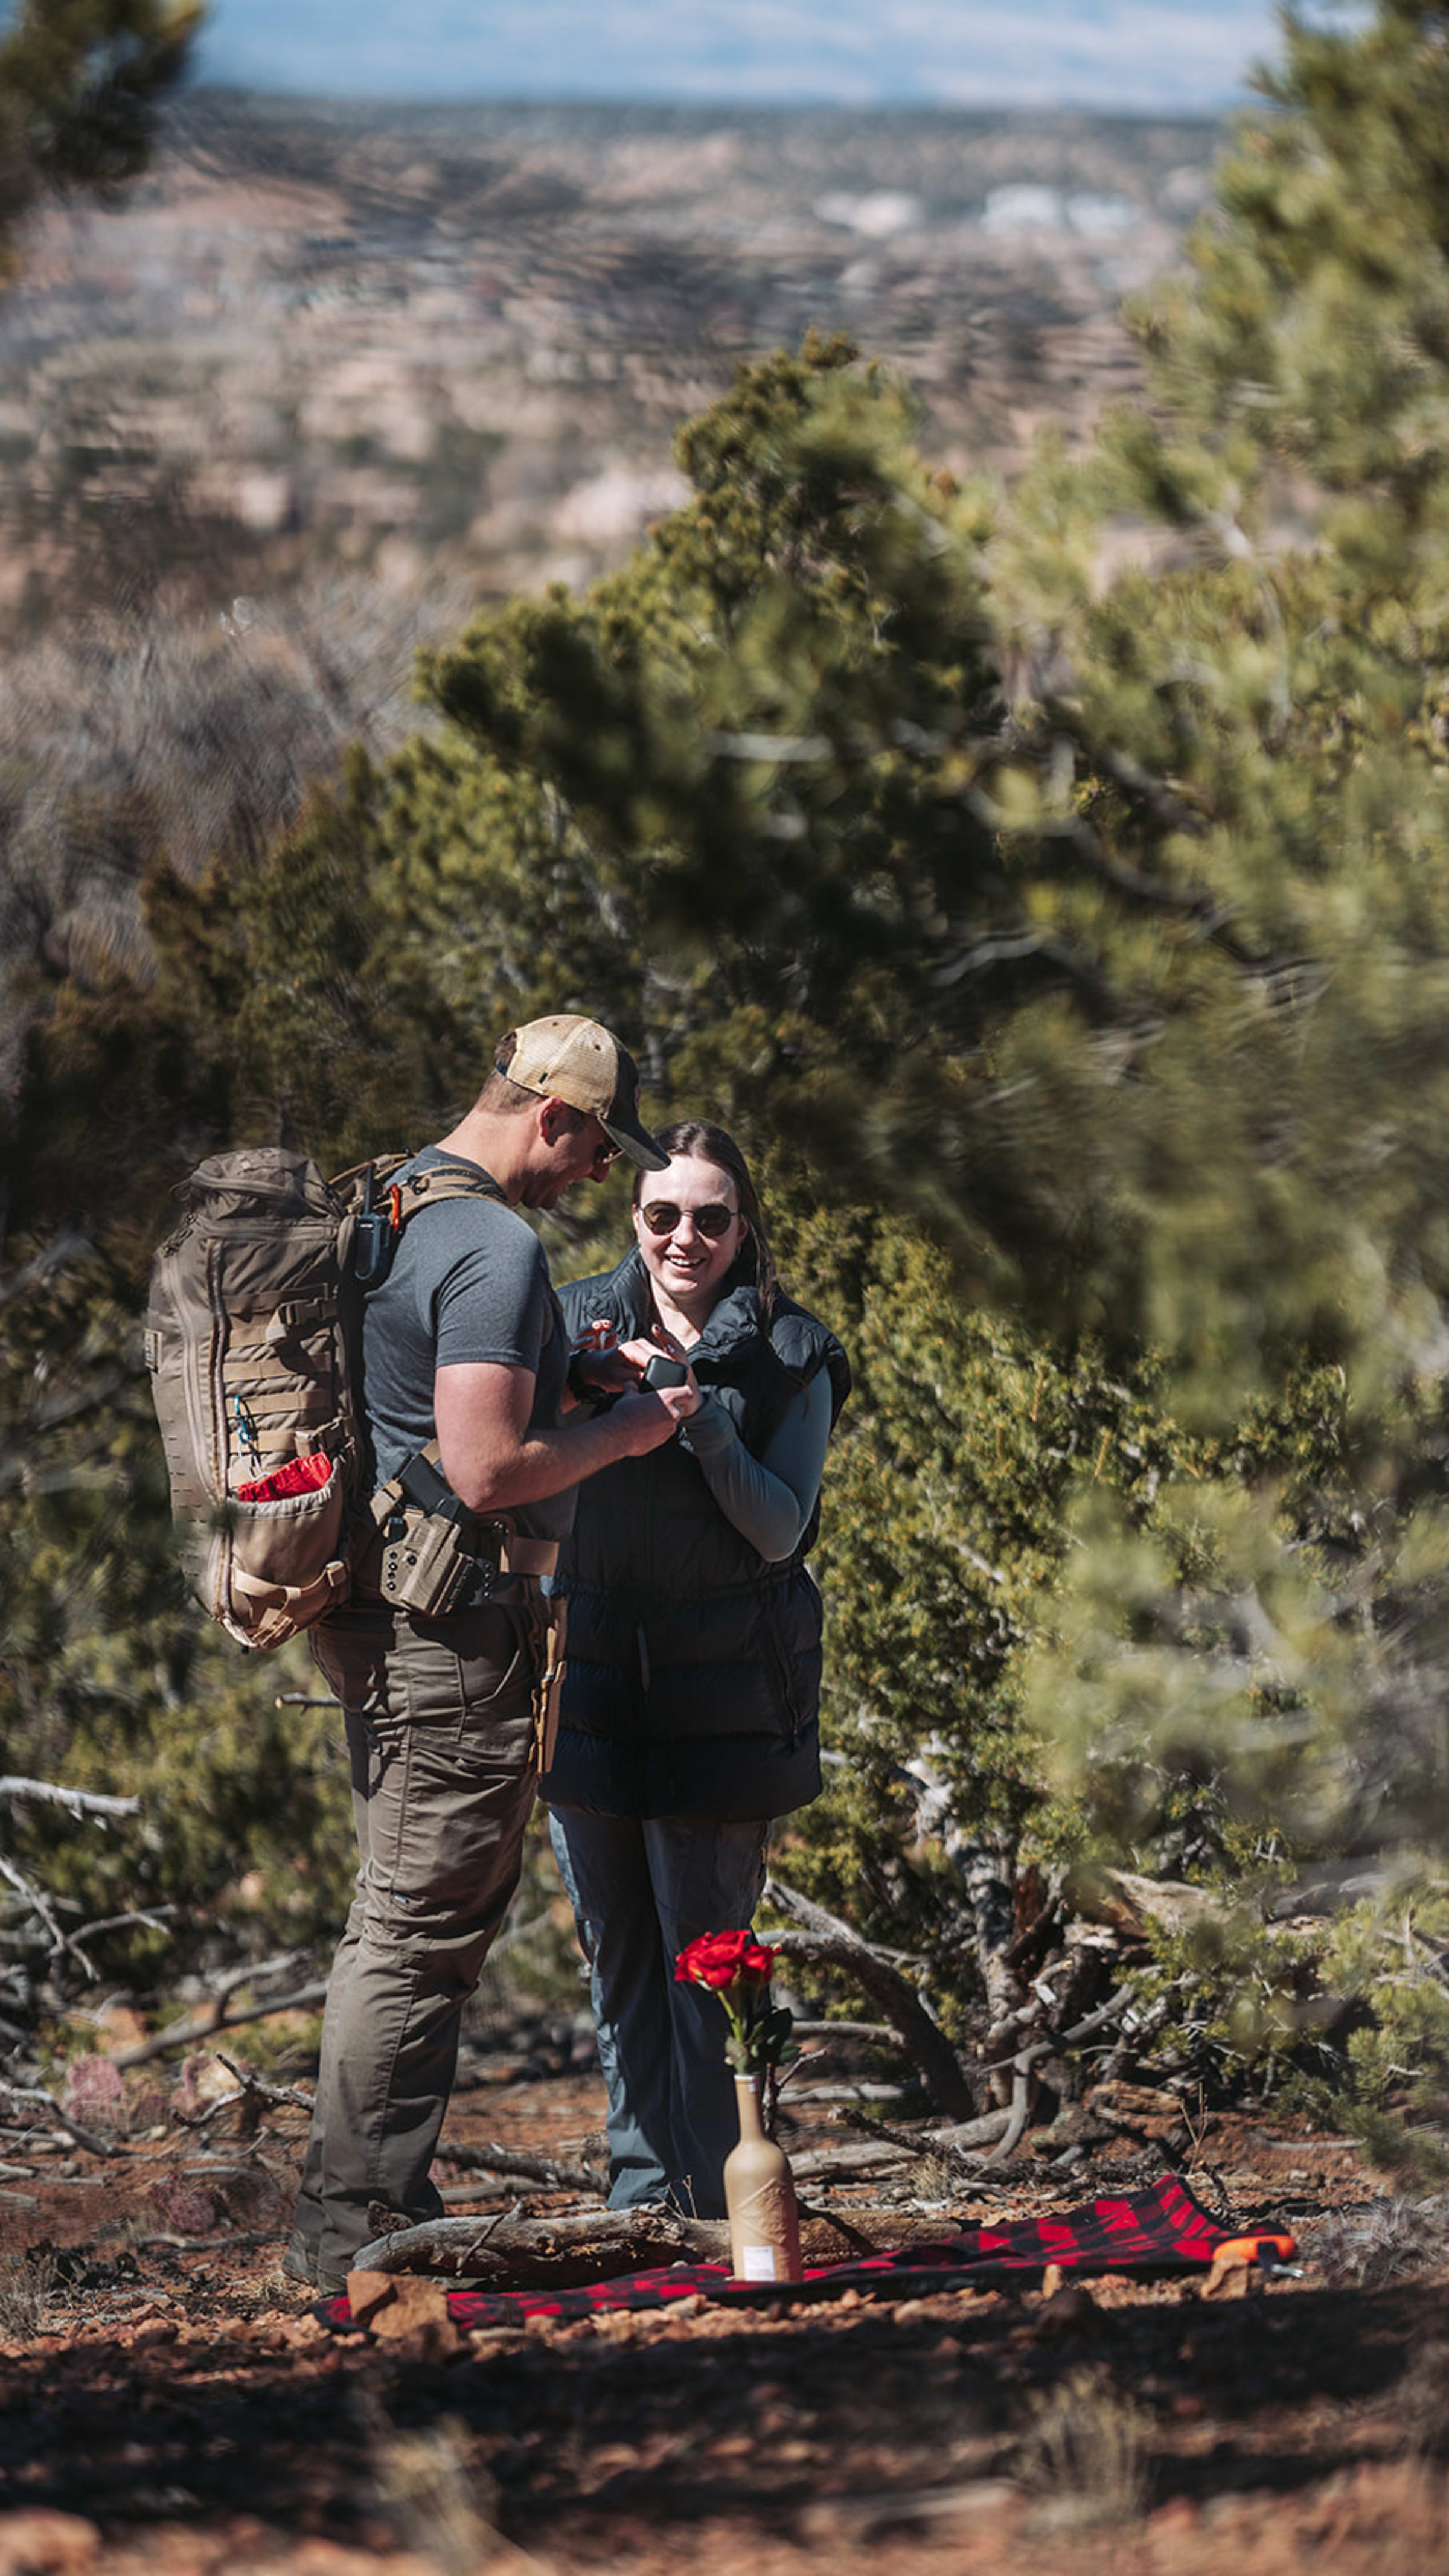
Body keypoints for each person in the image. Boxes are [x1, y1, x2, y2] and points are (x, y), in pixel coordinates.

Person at [286, 1015, 694, 2295]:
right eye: (590, 1151)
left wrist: (562, 1375)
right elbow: (482, 1466)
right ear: (554, 1117)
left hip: (374, 1607)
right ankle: (354, 2231)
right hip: (450, 1626)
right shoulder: (496, 1243)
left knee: (395, 1909)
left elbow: (416, 1399)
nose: (589, 1180)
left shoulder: (392, 1203)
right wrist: (630, 1427)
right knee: (420, 1923)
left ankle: (374, 2197)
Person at [542, 1120, 850, 2219]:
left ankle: (728, 2202)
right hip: (586, 1689)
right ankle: (640, 2201)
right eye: (662, 1215)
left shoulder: (791, 1351)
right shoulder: (570, 1318)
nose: (684, 1238)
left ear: (744, 1226)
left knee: (709, 1966)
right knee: (617, 1961)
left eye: (711, 1218)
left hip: (723, 1693)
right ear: (633, 1217)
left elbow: (779, 1530)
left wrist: (699, 1420)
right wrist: (586, 1393)